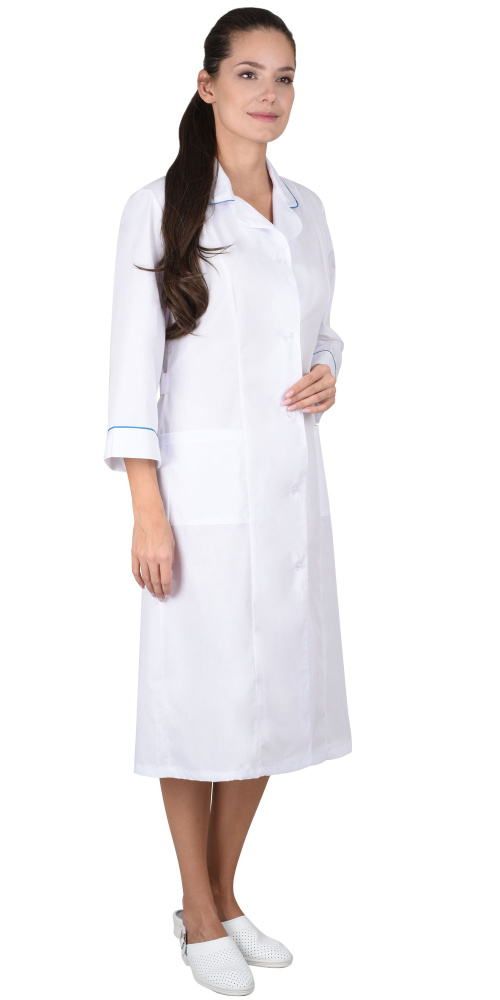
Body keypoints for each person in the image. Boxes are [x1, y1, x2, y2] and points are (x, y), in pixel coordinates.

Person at [104, 7, 352, 995]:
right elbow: (133, 371)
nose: (268, 94)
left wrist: (328, 371)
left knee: (271, 702)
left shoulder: (307, 210)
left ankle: (226, 894)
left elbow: (319, 330)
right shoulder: (158, 208)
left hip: (289, 495)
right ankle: (195, 910)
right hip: (196, 501)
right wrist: (148, 511)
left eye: (283, 77)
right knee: (197, 703)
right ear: (206, 84)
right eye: (247, 73)